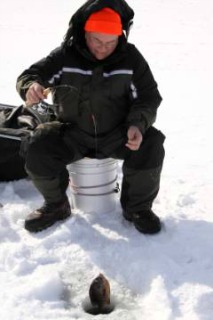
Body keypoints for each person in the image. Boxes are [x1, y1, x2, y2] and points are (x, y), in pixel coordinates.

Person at [16, 0, 165, 234]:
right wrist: (30, 87)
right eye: (96, 40)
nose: (103, 48)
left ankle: (137, 209)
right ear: (85, 33)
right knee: (39, 143)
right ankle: (56, 205)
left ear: (120, 37)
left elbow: (147, 97)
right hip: (73, 132)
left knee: (152, 142)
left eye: (110, 42)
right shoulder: (66, 56)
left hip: (118, 134)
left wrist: (137, 123)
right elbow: (32, 75)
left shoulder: (131, 58)